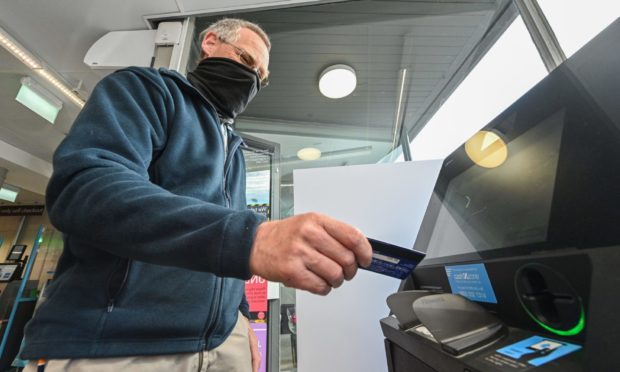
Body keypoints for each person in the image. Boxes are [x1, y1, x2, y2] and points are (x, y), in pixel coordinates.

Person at [21, 18, 372, 372]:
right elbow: (85, 189)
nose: (252, 81)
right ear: (210, 43)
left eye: (261, 79)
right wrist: (251, 239)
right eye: (248, 62)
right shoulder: (145, 91)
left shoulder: (234, 150)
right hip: (120, 345)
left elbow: (223, 259)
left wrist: (239, 317)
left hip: (223, 343)